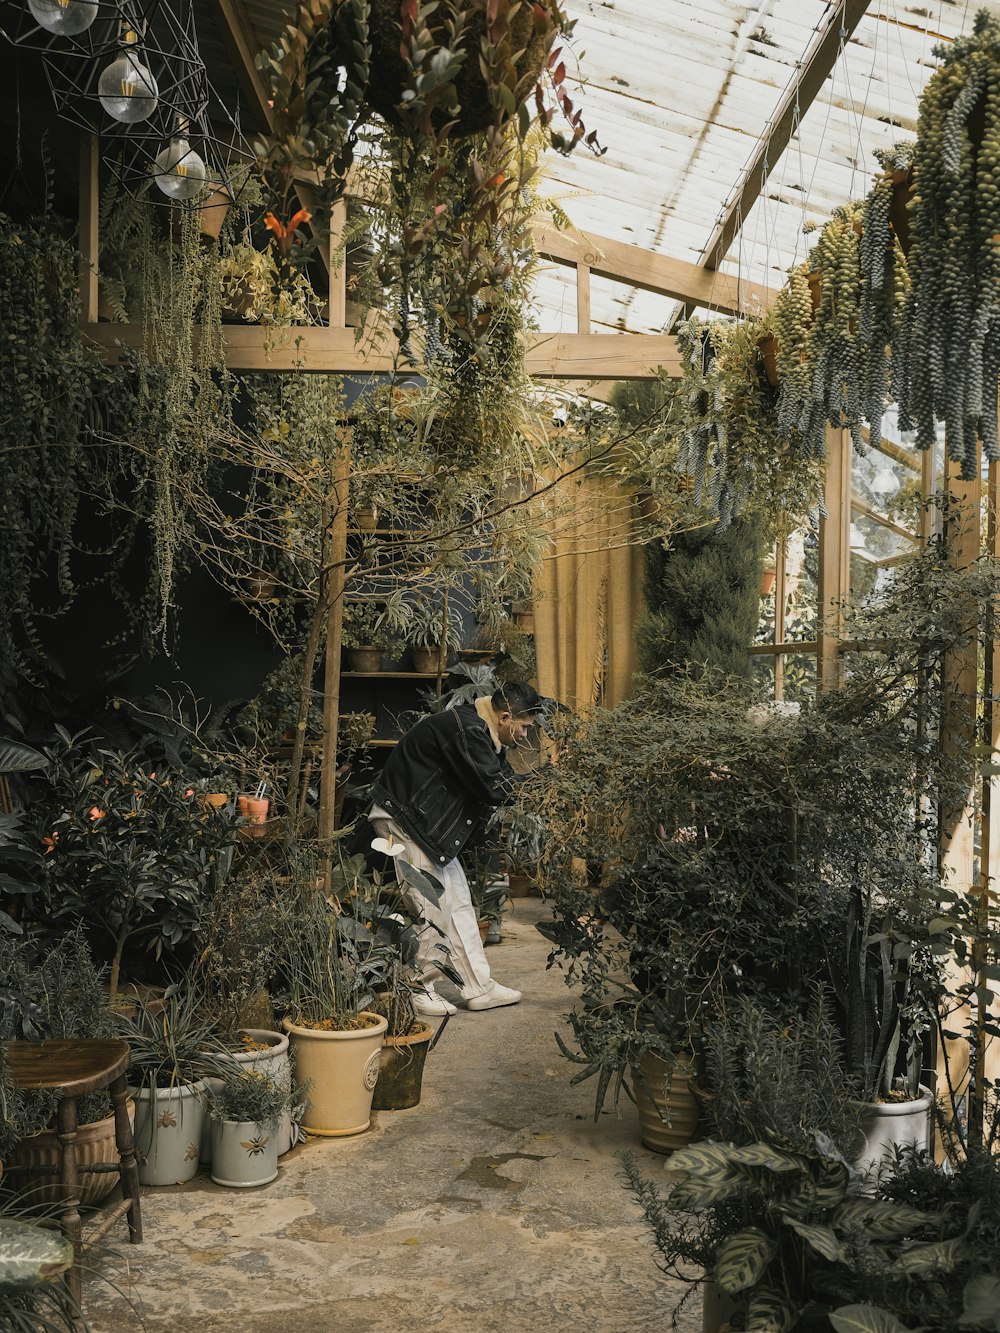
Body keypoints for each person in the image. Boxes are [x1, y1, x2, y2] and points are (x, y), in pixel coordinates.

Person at [368, 681, 544, 1016]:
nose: (524, 736)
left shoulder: (482, 733)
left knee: (459, 903)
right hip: (404, 819)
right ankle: (420, 986)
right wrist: (546, 784)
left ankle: (478, 988)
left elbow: (500, 780)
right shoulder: (468, 730)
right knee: (429, 903)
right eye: (524, 728)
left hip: (423, 825)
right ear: (505, 717)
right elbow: (495, 788)